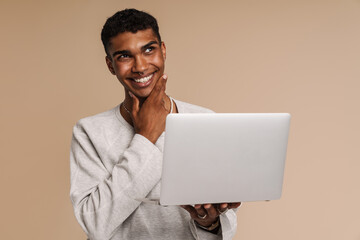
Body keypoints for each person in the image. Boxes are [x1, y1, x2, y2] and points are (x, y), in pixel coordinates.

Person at [70, 8, 240, 240]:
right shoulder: (89, 132)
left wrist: (209, 223)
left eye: (149, 50)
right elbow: (95, 224)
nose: (140, 66)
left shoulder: (204, 120)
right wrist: (145, 137)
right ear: (110, 65)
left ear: (163, 50)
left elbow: (223, 223)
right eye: (124, 56)